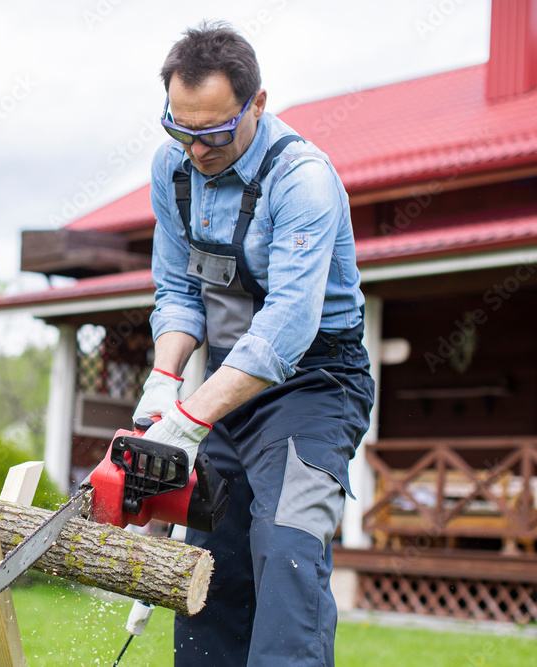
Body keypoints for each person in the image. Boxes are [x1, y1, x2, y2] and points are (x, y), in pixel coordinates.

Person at [133, 21, 374, 666]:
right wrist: (164, 383)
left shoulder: (303, 180)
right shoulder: (174, 171)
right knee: (212, 568)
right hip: (223, 392)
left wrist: (188, 417)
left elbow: (285, 331)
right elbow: (181, 291)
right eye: (179, 128)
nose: (195, 147)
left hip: (315, 387)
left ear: (257, 103)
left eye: (212, 132)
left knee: (287, 547)